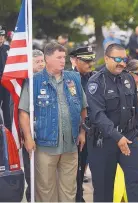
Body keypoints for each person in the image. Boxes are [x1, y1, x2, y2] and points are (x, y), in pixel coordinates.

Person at [19, 42, 87, 202]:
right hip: (45, 145)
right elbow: (23, 112)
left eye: (64, 57)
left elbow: (84, 107)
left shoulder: (73, 78)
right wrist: (28, 138)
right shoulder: (34, 81)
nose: (63, 60)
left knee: (69, 189)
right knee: (46, 189)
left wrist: (83, 132)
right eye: (59, 57)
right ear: (47, 58)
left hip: (70, 144)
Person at [86, 43, 138, 202]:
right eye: (117, 59)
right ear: (106, 58)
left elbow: (135, 109)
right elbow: (98, 116)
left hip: (129, 137)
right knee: (104, 190)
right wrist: (117, 137)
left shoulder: (128, 78)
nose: (122, 63)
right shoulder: (95, 83)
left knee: (136, 185)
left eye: (124, 59)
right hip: (104, 142)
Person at [69, 46, 96, 202]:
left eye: (91, 60)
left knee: (90, 166)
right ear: (77, 60)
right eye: (86, 61)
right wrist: (82, 131)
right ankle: (78, 197)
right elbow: (75, 107)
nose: (90, 63)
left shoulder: (92, 76)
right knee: (77, 169)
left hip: (94, 129)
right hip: (79, 131)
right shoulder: (70, 77)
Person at [22, 49, 46, 202]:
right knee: (31, 173)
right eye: (37, 61)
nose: (41, 64)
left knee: (46, 176)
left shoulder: (48, 79)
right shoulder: (24, 82)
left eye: (42, 61)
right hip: (30, 134)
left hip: (46, 136)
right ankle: (31, 197)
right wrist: (26, 136)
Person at [0, 25, 11, 131]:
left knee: (7, 107)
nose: (1, 38)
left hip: (6, 82)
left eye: (2, 35)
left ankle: (9, 132)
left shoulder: (8, 49)